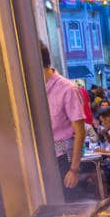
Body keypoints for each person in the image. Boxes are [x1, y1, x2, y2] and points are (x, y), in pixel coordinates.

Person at [41, 43, 89, 202]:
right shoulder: (34, 89)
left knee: (70, 204)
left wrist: (74, 169)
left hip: (64, 159)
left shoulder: (67, 89)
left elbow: (80, 132)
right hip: (45, 159)